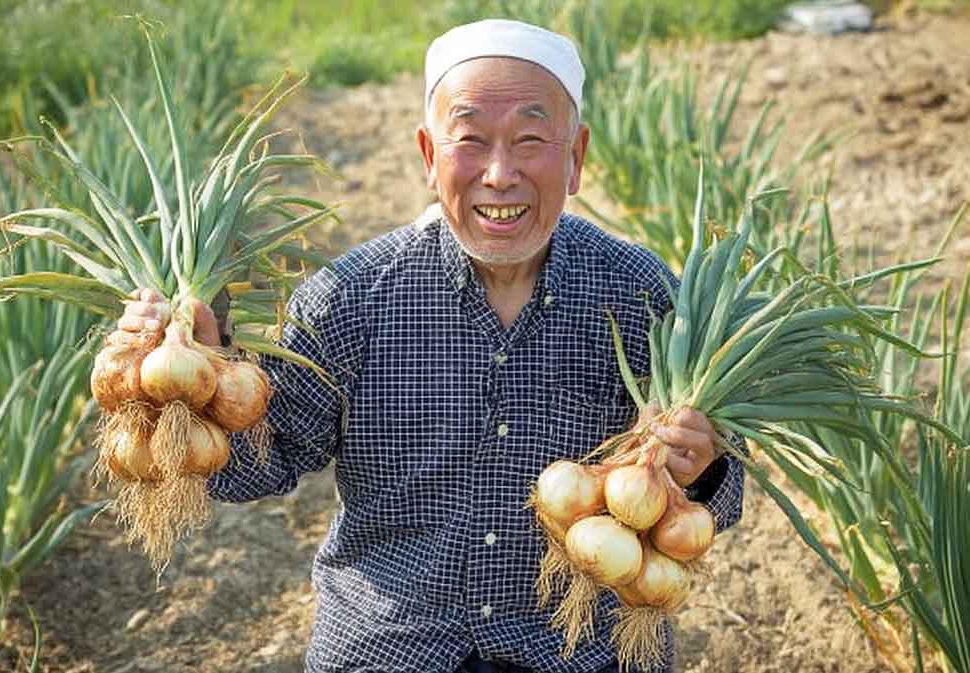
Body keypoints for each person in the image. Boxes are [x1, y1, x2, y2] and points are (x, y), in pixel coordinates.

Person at [117, 19, 744, 673]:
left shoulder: (642, 294)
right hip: (388, 649)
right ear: (427, 155)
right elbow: (261, 461)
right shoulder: (349, 297)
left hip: (581, 650)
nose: (499, 174)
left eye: (531, 140)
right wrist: (203, 380)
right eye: (470, 140)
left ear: (577, 156)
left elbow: (720, 495)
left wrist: (696, 467)